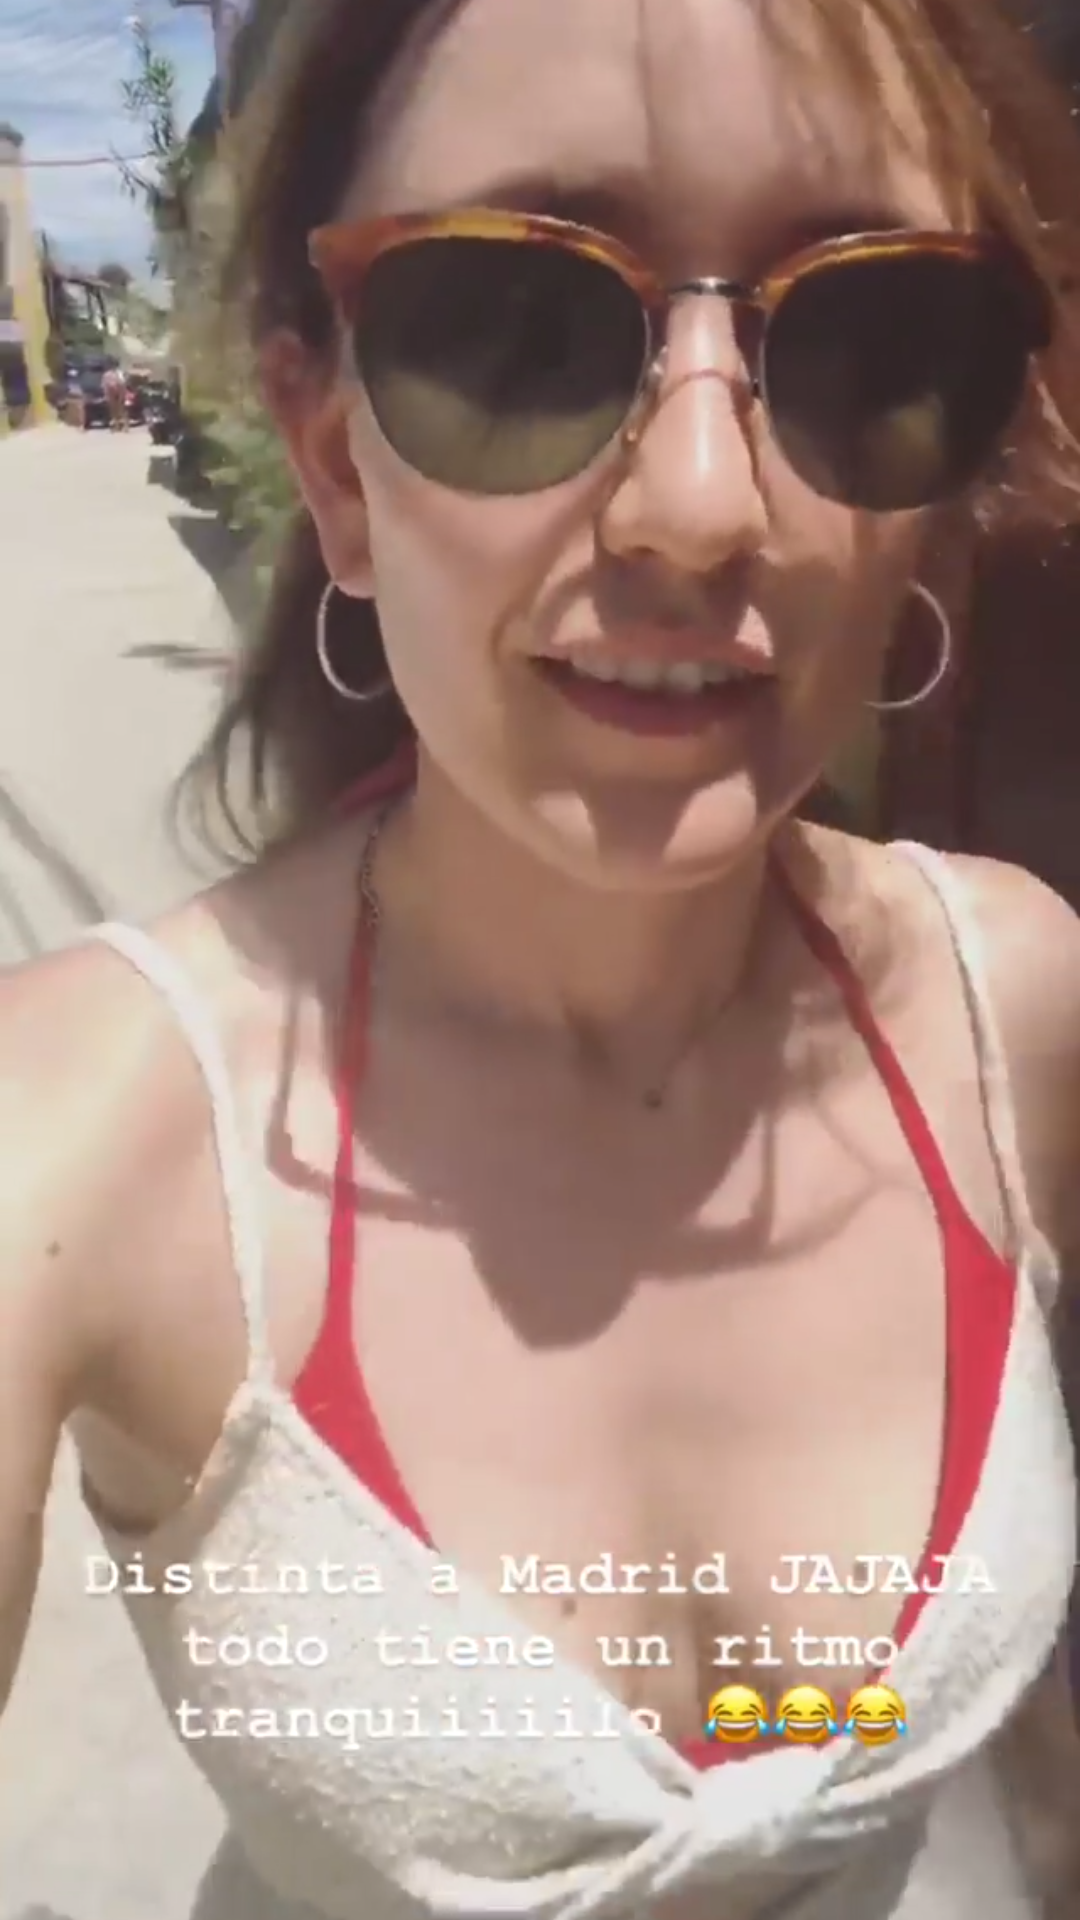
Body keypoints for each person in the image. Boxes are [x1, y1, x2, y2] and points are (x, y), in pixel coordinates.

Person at [4, 0, 1080, 1915]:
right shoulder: (83, 1143)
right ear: (333, 465)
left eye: (869, 338)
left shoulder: (1018, 1016)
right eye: (513, 326)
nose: (702, 506)